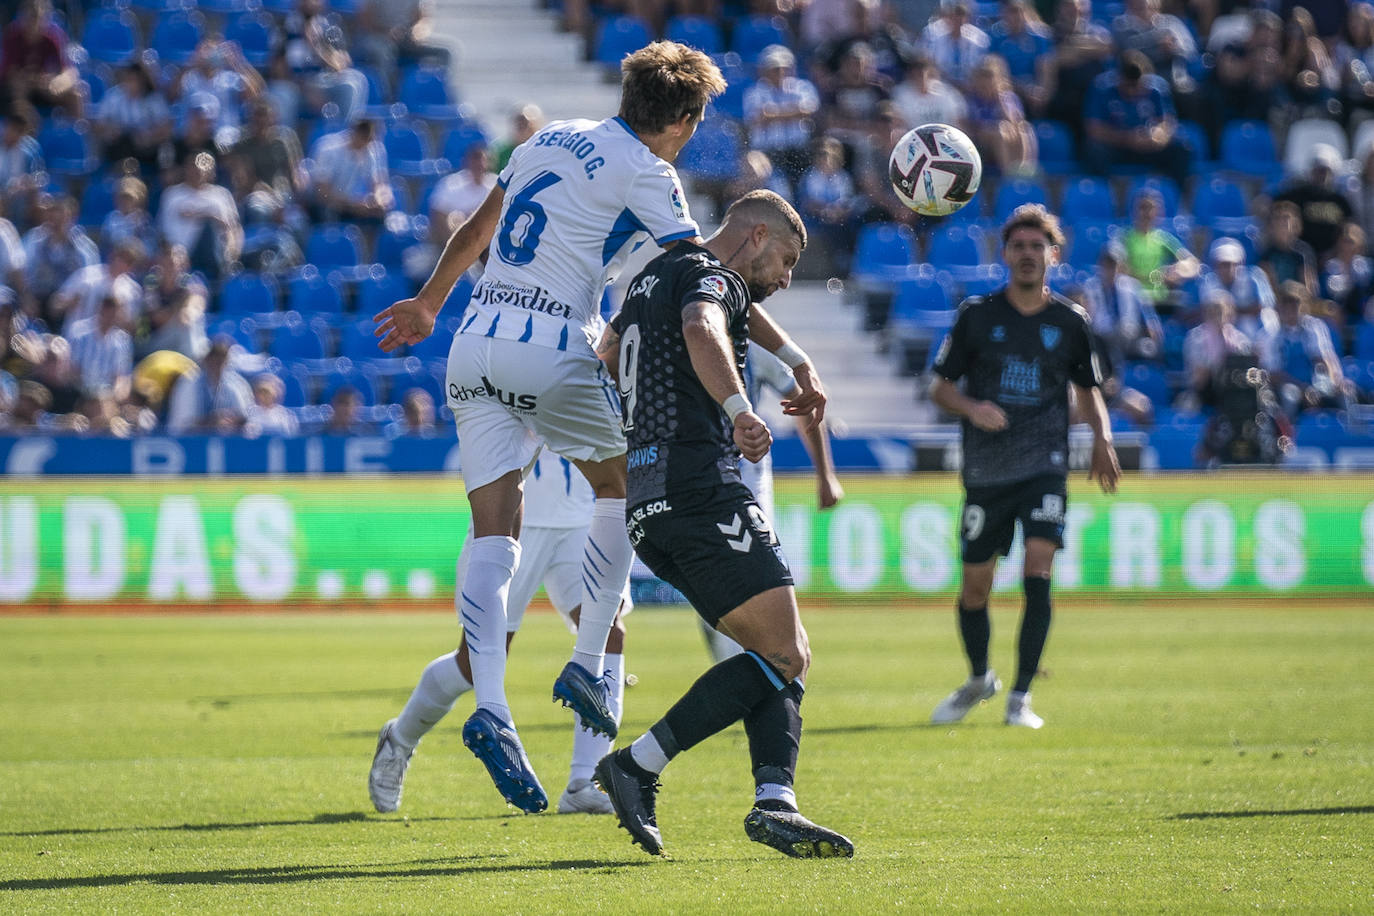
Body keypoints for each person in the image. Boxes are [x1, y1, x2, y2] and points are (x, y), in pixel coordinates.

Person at [371, 42, 779, 815]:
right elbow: (696, 278)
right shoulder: (651, 174)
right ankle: (589, 661)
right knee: (623, 484)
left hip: (473, 340)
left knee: (492, 531)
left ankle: (491, 708)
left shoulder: (545, 138)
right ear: (686, 122)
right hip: (552, 343)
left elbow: (476, 229)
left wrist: (428, 302)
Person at [591, 190, 850, 859]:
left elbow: (607, 351)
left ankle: (776, 802)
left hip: (648, 498)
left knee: (774, 654)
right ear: (756, 235)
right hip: (702, 486)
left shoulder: (658, 272)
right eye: (787, 260)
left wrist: (797, 360)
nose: (788, 278)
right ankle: (638, 766)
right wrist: (737, 407)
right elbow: (707, 324)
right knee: (786, 654)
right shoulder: (711, 279)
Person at [928, 204, 1120, 730]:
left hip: (1045, 466)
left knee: (1039, 569)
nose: (1029, 255)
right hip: (987, 473)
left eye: (1039, 247)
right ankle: (979, 678)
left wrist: (1102, 438)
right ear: (1005, 254)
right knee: (975, 588)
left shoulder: (1070, 322)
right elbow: (939, 387)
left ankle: (1020, 698)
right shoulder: (976, 315)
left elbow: (1089, 391)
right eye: (1020, 246)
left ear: (1053, 255)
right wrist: (973, 408)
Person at [369, 449, 631, 817]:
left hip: (583, 516)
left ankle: (584, 782)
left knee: (610, 633)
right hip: (510, 513)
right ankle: (399, 739)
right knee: (473, 663)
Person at [699, 341, 845, 663]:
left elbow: (802, 403)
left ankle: (753, 667)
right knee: (710, 577)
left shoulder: (753, 347)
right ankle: (740, 665)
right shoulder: (682, 332)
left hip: (745, 468)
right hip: (695, 471)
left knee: (752, 566)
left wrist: (825, 475)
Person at [1083, 51, 1192, 189]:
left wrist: (1158, 137)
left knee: (1182, 148)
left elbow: (1168, 122)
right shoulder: (1102, 87)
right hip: (1118, 146)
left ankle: (1175, 196)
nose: (1132, 91)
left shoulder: (1157, 88)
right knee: (1094, 150)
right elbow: (1093, 129)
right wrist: (1128, 138)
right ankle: (1101, 196)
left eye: (1137, 86)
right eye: (1128, 86)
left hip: (1148, 146)